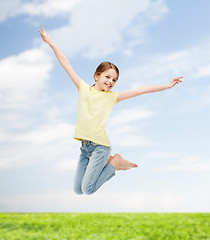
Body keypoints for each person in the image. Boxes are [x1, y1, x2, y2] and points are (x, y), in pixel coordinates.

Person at [38, 25, 183, 195]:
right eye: (107, 77)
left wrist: (166, 86)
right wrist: (51, 43)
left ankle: (115, 163)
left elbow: (140, 90)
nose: (111, 82)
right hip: (85, 147)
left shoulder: (112, 97)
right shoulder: (84, 88)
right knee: (78, 190)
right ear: (96, 76)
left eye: (114, 80)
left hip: (100, 147)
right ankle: (114, 164)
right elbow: (67, 64)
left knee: (88, 189)